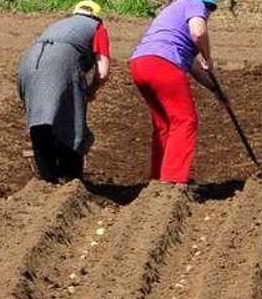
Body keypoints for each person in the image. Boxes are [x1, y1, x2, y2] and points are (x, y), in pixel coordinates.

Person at [17, 0, 112, 183]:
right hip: (61, 65)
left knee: (40, 120)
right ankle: (71, 178)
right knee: (71, 121)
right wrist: (91, 90)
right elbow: (103, 71)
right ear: (96, 16)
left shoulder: (58, 25)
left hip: (28, 63)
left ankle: (47, 178)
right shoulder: (97, 27)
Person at [129, 0, 219, 185]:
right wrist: (208, 57)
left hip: (140, 63)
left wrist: (216, 89)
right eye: (210, 8)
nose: (208, 13)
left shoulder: (171, 11)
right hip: (163, 64)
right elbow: (198, 32)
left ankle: (157, 181)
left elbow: (193, 66)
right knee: (185, 120)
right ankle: (172, 181)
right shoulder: (194, 3)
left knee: (164, 125)